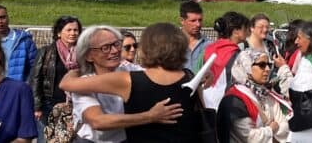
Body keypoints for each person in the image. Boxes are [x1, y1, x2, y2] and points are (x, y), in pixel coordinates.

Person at [59, 22, 204, 143]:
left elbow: (157, 76)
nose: (115, 50)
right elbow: (98, 122)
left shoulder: (128, 69)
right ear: (89, 56)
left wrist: (201, 75)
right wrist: (150, 116)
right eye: (106, 47)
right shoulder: (84, 83)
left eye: (116, 44)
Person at [217, 49, 290, 143]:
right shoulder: (234, 99)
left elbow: (284, 125)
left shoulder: (266, 93)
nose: (268, 69)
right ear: (246, 67)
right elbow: (250, 137)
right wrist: (271, 130)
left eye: (269, 65)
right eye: (262, 65)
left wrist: (268, 132)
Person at [30, 15, 82, 128]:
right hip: (49, 104)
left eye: (75, 30)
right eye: (69, 30)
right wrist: (37, 107)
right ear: (59, 33)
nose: (73, 33)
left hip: (76, 103)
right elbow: (35, 79)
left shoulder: (83, 53)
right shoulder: (46, 52)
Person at [0, 5, 38, 82]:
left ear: (8, 18)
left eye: (3, 17)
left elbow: (34, 69)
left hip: (15, 89)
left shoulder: (23, 40)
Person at [179, 1, 209, 73]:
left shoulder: (209, 45)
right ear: (182, 21)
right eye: (193, 21)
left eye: (200, 20)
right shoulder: (170, 43)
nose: (198, 24)